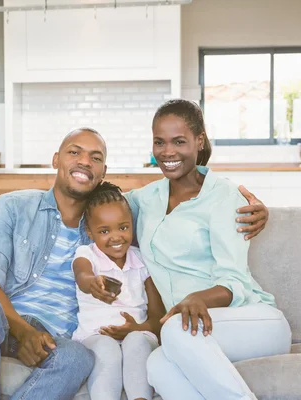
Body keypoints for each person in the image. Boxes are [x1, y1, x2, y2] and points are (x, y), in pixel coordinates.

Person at [0, 126, 269, 400]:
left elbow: (180, 199)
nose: (85, 161)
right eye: (75, 152)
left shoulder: (110, 223)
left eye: (96, 158)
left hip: (53, 335)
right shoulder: (12, 206)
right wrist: (23, 332)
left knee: (77, 358)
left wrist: (244, 206)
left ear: (103, 173)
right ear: (56, 159)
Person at [125, 99, 292, 400]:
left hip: (251, 320)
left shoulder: (224, 197)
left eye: (179, 141)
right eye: (159, 142)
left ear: (198, 140)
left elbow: (235, 280)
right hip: (191, 330)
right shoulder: (145, 198)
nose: (167, 152)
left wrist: (196, 298)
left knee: (173, 331)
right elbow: (100, 205)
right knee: (158, 364)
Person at [72, 182, 165, 400]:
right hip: (95, 335)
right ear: (89, 231)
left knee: (137, 342)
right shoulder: (87, 254)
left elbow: (158, 317)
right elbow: (82, 275)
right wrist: (93, 283)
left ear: (132, 225)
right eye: (104, 231)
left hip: (138, 332)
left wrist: (137, 328)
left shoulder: (141, 260)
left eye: (123, 228)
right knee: (106, 348)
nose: (116, 237)